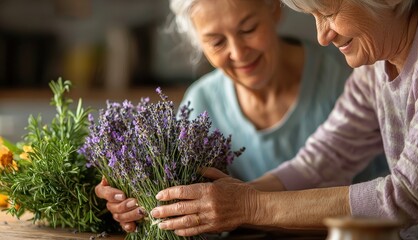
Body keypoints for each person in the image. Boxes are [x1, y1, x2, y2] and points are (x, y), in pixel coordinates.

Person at [95, 0, 393, 236]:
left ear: (274, 10)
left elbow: (407, 197)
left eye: (248, 29)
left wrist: (247, 206)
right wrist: (139, 198)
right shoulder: (200, 105)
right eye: (217, 42)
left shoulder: (355, 67)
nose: (238, 52)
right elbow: (317, 165)